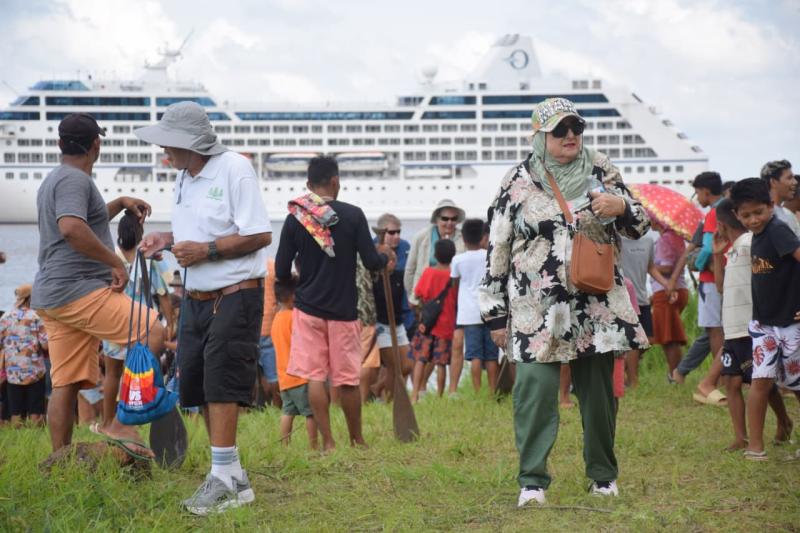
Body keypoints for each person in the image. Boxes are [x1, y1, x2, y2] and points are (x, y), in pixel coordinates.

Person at [480, 97, 651, 506]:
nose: (571, 135)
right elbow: (498, 245)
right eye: (560, 129)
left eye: (576, 127)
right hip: (534, 308)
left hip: (595, 302)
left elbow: (640, 224)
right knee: (535, 394)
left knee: (599, 397)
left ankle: (603, 475)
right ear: (539, 135)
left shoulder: (600, 167)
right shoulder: (517, 180)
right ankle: (533, 481)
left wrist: (621, 205)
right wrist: (494, 314)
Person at [137, 102, 272, 514]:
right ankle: (233, 478)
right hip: (196, 297)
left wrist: (207, 251)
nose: (164, 153)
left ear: (190, 143)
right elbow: (198, 230)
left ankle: (222, 480)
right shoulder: (185, 176)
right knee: (197, 385)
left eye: (169, 145)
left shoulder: (235, 168)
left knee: (222, 383)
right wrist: (167, 239)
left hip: (235, 294)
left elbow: (260, 233)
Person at [31, 113, 163, 458]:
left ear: (60, 144)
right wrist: (114, 261)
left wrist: (119, 203)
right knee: (151, 329)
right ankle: (120, 420)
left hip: (53, 295)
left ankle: (60, 460)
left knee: (65, 382)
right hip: (77, 290)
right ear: (96, 145)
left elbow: (82, 219)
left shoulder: (55, 179)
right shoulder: (76, 180)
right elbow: (73, 228)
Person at [274, 156, 393, 452]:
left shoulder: (296, 218)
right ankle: (357, 439)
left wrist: (301, 275)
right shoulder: (353, 215)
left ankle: (328, 442)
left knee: (316, 377)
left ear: (308, 185)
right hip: (343, 311)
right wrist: (385, 258)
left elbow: (279, 270)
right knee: (348, 380)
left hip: (308, 309)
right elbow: (370, 261)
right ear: (335, 181)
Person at [712, 198, 792, 451]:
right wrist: (716, 256)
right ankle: (740, 437)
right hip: (732, 328)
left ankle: (784, 421)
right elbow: (720, 287)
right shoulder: (733, 248)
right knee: (731, 381)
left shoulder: (749, 243)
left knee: (762, 383)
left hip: (750, 324)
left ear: (723, 223)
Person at [729, 179, 800, 460]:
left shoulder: (778, 230)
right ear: (737, 215)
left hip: (790, 325)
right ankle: (755, 447)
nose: (753, 220)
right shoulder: (756, 236)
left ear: (771, 206)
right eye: (746, 216)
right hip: (763, 324)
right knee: (760, 381)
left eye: (759, 212)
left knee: (796, 385)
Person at [97, 211, 174, 436]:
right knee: (141, 373)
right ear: (140, 234)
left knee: (112, 375)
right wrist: (170, 321)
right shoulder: (150, 261)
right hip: (143, 327)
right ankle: (134, 419)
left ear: (119, 235)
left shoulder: (110, 259)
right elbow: (163, 293)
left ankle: (107, 422)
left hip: (113, 324)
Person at [669, 172, 726, 406]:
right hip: (723, 276)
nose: (697, 198)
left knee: (715, 331)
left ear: (704, 190)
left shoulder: (714, 212)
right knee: (716, 331)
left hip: (712, 278)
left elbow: (706, 249)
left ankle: (720, 380)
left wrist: (698, 264)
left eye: (697, 192)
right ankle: (690, 373)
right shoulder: (727, 208)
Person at [405, 200, 465, 393]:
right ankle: (422, 389)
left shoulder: (462, 239)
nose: (449, 223)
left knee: (436, 351)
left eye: (453, 219)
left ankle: (421, 391)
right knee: (431, 351)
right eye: (445, 218)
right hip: (426, 304)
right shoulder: (421, 237)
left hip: (448, 306)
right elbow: (411, 268)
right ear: (437, 218)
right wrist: (412, 297)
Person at [451, 219, 498, 394]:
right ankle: (493, 390)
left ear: (463, 238)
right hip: (490, 310)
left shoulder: (458, 260)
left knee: (475, 355)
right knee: (492, 355)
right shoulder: (489, 256)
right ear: (483, 236)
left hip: (469, 314)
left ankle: (478, 391)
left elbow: (454, 283)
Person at [271, 276, 318, 449]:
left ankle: (285, 446)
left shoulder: (276, 319)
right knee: (311, 413)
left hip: (284, 377)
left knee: (287, 411)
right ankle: (314, 447)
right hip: (300, 376)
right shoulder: (294, 317)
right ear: (293, 296)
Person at [371, 213, 413, 401]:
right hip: (381, 322)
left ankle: (378, 389)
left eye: (398, 232)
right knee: (393, 366)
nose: (396, 236)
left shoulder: (404, 248)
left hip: (400, 318)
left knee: (407, 366)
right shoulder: (371, 251)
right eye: (391, 232)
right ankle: (387, 400)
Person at [409, 239, 458, 401]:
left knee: (420, 360)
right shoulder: (454, 276)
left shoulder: (429, 273)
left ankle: (415, 394)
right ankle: (440, 396)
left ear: (435, 255)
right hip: (447, 325)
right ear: (453, 255)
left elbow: (418, 294)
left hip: (427, 325)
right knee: (442, 363)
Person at [0, 284, 48, 426]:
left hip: (13, 372)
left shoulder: (6, 317)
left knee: (15, 411)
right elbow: (45, 345)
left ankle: (18, 439)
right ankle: (34, 440)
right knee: (36, 410)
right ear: (31, 298)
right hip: (35, 371)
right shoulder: (36, 317)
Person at [650, 223, 690, 377]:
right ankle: (676, 373)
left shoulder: (665, 239)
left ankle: (675, 374)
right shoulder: (676, 237)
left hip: (666, 291)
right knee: (670, 334)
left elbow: (666, 267)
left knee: (669, 338)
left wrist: (649, 266)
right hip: (680, 289)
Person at [619, 233, 656, 388]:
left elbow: (650, 267)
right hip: (624, 296)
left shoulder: (648, 241)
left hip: (642, 296)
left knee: (649, 340)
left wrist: (667, 284)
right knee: (635, 341)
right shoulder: (618, 239)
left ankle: (622, 371)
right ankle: (633, 381)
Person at [258, 259, 281, 409]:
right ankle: (278, 405)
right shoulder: (272, 265)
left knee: (256, 373)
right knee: (272, 373)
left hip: (248, 326)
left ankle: (258, 405)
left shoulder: (243, 265)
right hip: (269, 324)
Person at [761, 160, 800, 236]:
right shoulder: (763, 214)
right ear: (773, 182)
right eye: (789, 178)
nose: (795, 182)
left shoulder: (789, 214)